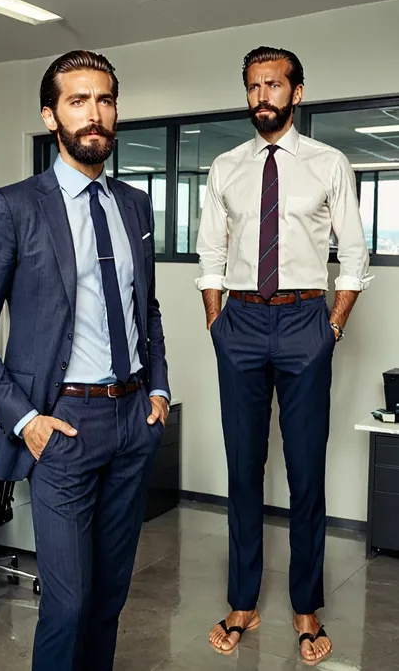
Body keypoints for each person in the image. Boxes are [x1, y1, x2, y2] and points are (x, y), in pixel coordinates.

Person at [0, 49, 170, 671]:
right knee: (68, 605)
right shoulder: (15, 206)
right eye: (78, 101)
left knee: (108, 599)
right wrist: (27, 421)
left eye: (104, 99)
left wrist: (158, 391)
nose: (93, 114)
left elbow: (145, 308)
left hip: (133, 421)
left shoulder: (133, 204)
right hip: (64, 425)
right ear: (51, 116)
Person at [196, 46, 371, 666]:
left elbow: (354, 252)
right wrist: (217, 319)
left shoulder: (330, 163)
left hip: (304, 321)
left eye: (273, 84)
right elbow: (209, 254)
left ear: (297, 92)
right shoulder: (225, 167)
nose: (261, 95)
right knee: (242, 468)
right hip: (238, 321)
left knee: (305, 473)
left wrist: (333, 324)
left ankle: (305, 605)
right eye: (252, 86)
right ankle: (242, 601)